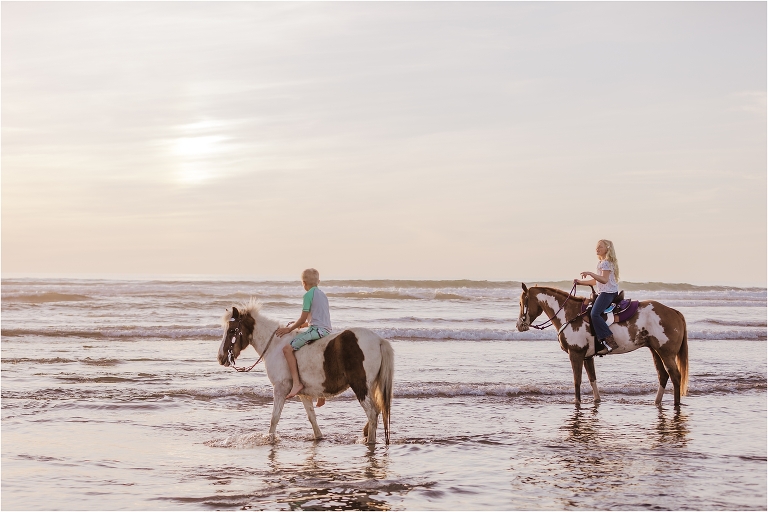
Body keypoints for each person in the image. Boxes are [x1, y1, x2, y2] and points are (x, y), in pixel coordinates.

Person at [276, 268, 332, 405]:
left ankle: (296, 383)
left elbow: (301, 319)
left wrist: (290, 329)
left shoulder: (307, 296)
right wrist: (305, 325)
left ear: (304, 283)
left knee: (287, 349)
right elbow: (319, 317)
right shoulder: (323, 295)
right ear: (318, 281)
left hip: (316, 331)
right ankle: (321, 393)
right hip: (326, 331)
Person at [574, 239, 620, 355]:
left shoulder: (606, 262)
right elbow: (596, 281)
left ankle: (610, 341)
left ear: (607, 249)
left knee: (595, 314)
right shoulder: (601, 263)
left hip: (608, 293)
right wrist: (580, 282)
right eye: (597, 247)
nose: (597, 249)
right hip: (604, 292)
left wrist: (590, 273)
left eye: (600, 247)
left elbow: (604, 280)